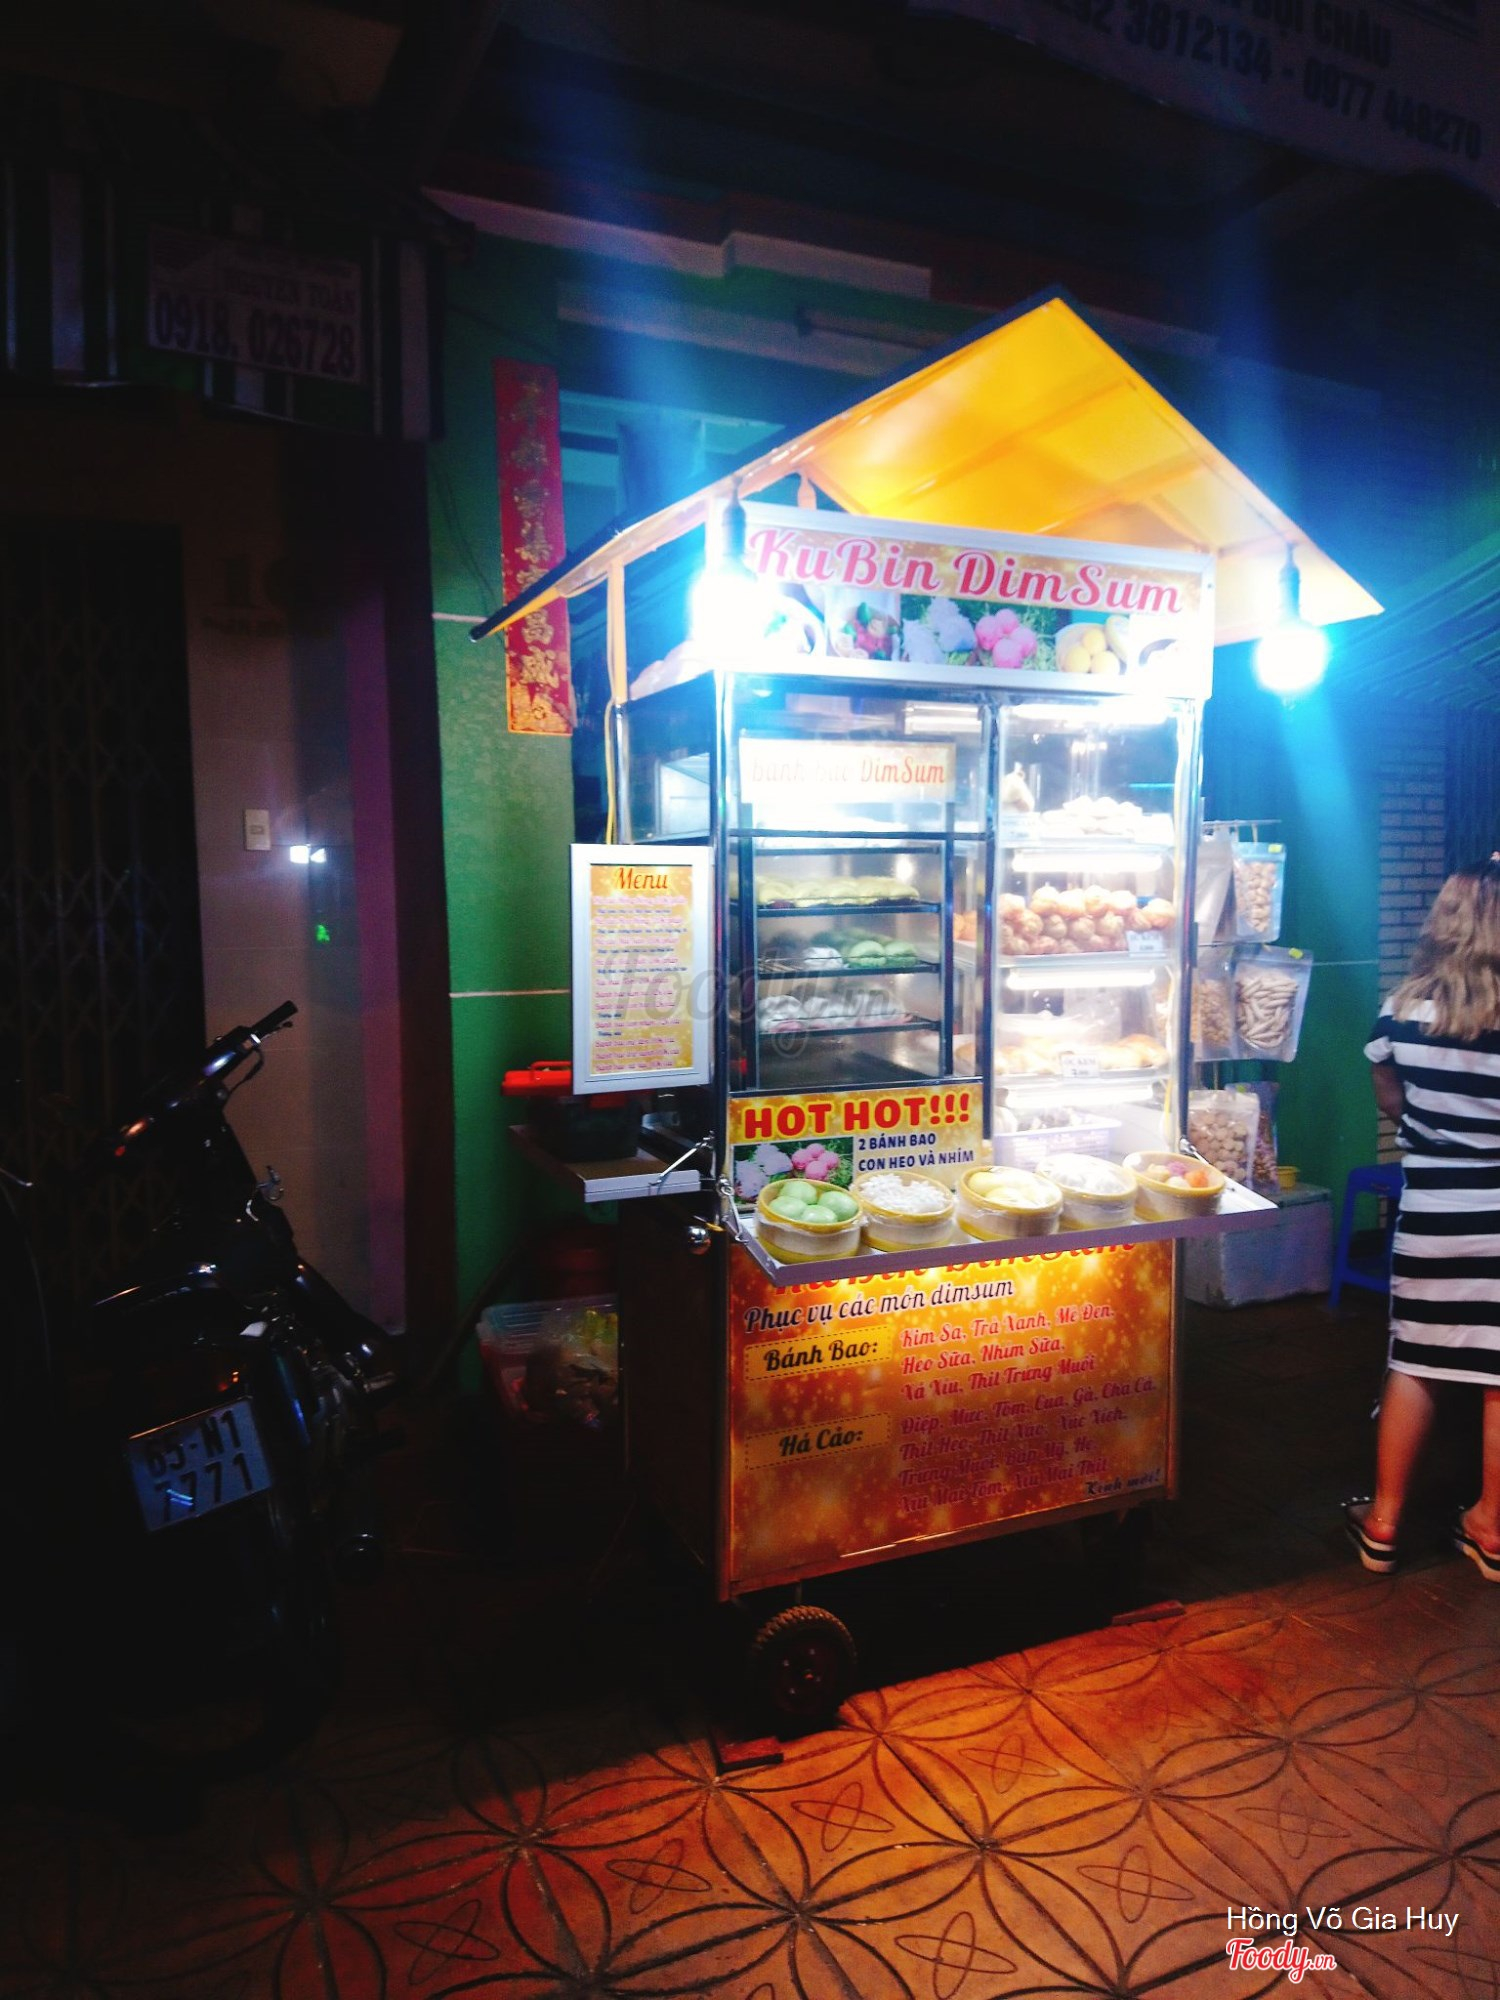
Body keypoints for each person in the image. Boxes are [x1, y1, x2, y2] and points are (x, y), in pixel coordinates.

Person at [1347, 858, 1500, 1580]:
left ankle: (1382, 1524)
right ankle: (1490, 1527)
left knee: (1416, 1361)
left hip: (1434, 1210)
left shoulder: (1400, 1012)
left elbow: (1391, 1099)